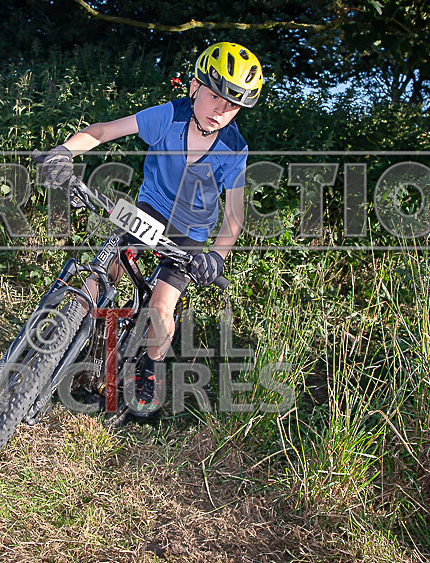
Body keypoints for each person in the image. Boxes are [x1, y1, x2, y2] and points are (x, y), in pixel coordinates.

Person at [40, 42, 263, 416]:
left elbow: (235, 216)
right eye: (214, 96)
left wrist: (216, 258)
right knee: (105, 262)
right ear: (194, 88)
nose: (221, 111)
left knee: (161, 307)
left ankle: (150, 364)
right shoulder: (168, 116)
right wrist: (65, 151)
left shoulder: (233, 147)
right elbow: (103, 131)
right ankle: (69, 325)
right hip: (150, 209)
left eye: (233, 105)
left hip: (190, 233)